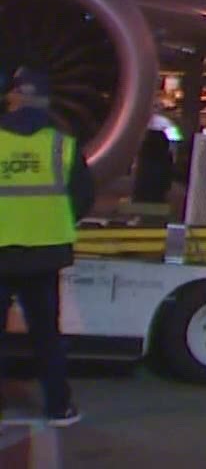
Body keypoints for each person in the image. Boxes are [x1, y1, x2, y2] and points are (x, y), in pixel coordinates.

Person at [0, 65, 92, 427]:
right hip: (45, 254)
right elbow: (83, 198)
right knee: (46, 336)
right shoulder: (63, 145)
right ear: (46, 102)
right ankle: (58, 407)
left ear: (13, 97)